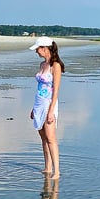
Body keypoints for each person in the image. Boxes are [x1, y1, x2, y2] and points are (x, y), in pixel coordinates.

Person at [28, 37, 65, 179]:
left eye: (37, 48)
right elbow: (39, 88)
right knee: (43, 137)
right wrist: (33, 108)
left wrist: (51, 111)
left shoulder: (56, 66)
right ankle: (47, 167)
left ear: (45, 48)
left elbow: (55, 90)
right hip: (39, 103)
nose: (36, 51)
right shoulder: (42, 65)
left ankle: (57, 171)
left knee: (51, 138)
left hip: (49, 104)